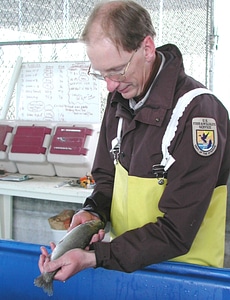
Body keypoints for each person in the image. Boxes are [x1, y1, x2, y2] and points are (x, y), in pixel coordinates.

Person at [38, 0, 230, 281]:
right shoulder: (119, 102)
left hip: (185, 277)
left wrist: (96, 257)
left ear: (148, 48)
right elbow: (107, 180)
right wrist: (94, 212)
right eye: (102, 73)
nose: (110, 85)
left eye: (117, 70)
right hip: (126, 269)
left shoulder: (198, 113)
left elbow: (178, 230)